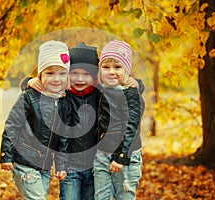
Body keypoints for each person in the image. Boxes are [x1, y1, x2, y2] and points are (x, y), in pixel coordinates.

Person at [26, 42, 142, 200]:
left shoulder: (101, 94)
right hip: (70, 166)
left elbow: (125, 92)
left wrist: (137, 83)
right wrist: (29, 81)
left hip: (95, 164)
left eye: (87, 74)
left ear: (95, 76)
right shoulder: (62, 95)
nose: (80, 79)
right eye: (74, 73)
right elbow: (37, 91)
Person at [0, 40, 71, 200]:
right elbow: (12, 125)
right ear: (40, 75)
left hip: (45, 166)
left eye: (61, 73)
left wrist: (61, 165)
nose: (56, 79)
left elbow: (63, 138)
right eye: (49, 73)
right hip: (24, 162)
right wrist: (6, 155)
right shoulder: (29, 97)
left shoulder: (64, 102)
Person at [93, 40, 144, 200]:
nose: (111, 72)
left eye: (117, 67)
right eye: (106, 67)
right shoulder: (101, 91)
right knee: (101, 196)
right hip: (102, 154)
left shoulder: (131, 94)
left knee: (124, 196)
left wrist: (121, 157)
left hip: (125, 154)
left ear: (127, 70)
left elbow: (131, 127)